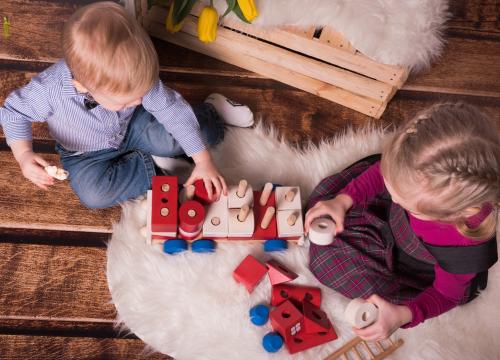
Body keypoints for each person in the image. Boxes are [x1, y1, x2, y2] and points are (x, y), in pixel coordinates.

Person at [0, 2, 254, 208]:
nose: (139, 101)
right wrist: (24, 155)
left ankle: (212, 111)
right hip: (83, 153)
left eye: (142, 93)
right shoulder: (50, 90)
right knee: (94, 195)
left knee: (199, 134)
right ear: (83, 86)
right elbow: (13, 112)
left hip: (134, 125)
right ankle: (156, 167)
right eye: (127, 100)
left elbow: (173, 112)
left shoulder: (137, 84)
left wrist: (203, 161)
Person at [304, 103, 499, 340]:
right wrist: (344, 201)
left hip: (410, 265)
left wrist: (403, 315)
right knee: (326, 197)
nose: (393, 195)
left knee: (341, 274)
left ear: (448, 215)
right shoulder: (412, 171)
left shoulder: (463, 246)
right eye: (391, 185)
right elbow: (380, 175)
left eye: (403, 199)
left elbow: (447, 295)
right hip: (386, 220)